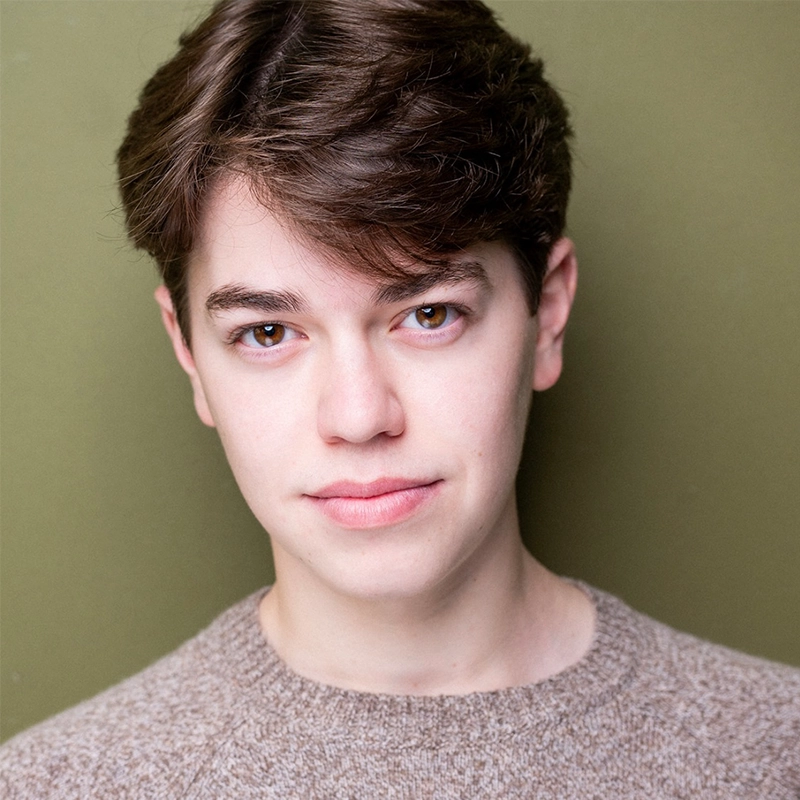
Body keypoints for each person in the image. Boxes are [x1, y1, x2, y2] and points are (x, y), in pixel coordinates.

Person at [1, 0, 798, 796]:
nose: (358, 417)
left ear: (546, 313)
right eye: (268, 333)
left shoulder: (774, 751)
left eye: (428, 315)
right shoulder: (56, 783)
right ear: (188, 353)